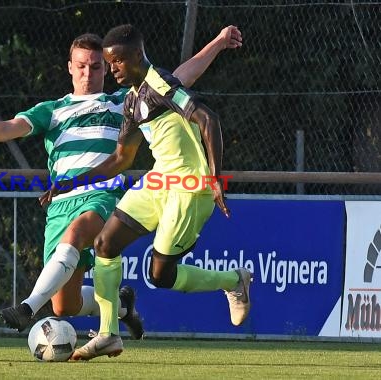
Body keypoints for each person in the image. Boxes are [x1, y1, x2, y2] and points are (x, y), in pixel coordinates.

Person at [0, 26, 243, 340]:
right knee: (64, 306)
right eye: (82, 66)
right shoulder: (53, 110)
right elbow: (8, 128)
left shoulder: (123, 100)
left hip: (100, 196)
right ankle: (122, 308)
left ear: (107, 67)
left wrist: (218, 42)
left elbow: (181, 77)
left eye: (97, 66)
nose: (89, 72)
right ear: (70, 68)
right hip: (61, 202)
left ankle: (28, 307)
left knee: (81, 233)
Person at [40, 24, 252, 361]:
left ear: (137, 56)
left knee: (160, 275)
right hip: (158, 181)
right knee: (105, 244)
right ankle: (109, 334)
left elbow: (208, 120)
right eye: (109, 64)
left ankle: (233, 280)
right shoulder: (132, 100)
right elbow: (120, 158)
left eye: (117, 63)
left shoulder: (160, 85)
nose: (113, 70)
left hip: (190, 187)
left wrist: (215, 180)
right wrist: (69, 183)